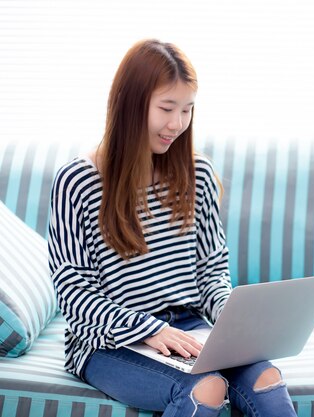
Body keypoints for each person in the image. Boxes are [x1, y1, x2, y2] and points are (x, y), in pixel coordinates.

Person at [48, 39, 298, 417]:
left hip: (188, 328)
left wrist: (233, 321)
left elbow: (211, 270)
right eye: (167, 108)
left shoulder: (197, 175)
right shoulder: (78, 181)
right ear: (130, 104)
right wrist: (148, 329)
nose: (177, 124)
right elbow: (72, 292)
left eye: (187, 110)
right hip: (108, 342)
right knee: (207, 389)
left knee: (267, 378)